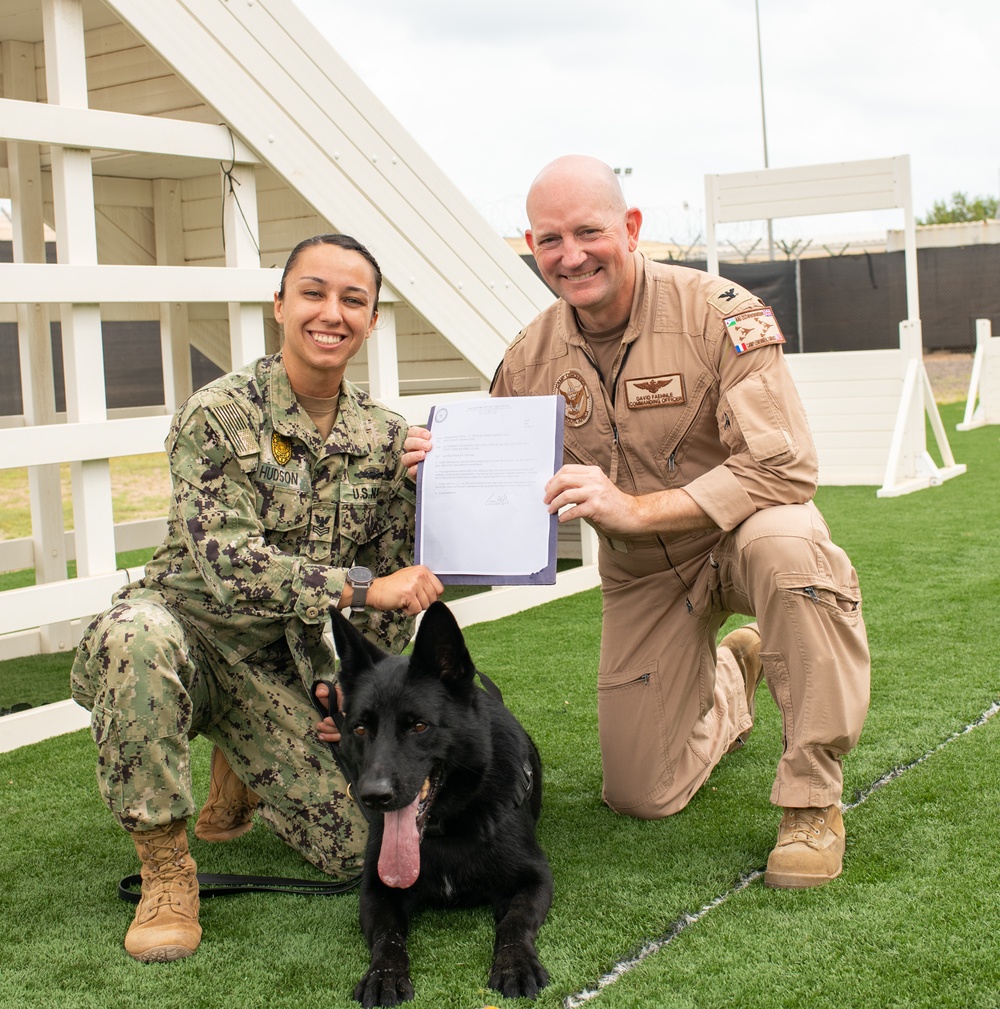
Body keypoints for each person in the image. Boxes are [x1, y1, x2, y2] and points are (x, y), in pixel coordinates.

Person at [405, 156, 870, 889]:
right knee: (640, 794)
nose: (571, 254)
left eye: (588, 231)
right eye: (550, 240)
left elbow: (787, 465)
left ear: (631, 227)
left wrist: (638, 507)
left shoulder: (717, 313)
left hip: (743, 536)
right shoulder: (529, 357)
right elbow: (496, 483)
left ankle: (812, 797)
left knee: (792, 546)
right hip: (647, 573)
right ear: (532, 246)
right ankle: (731, 677)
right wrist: (437, 466)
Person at [71, 233, 444, 962]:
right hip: (188, 634)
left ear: (371, 319)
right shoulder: (217, 416)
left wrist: (351, 695)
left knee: (352, 848)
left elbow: (392, 592)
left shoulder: (389, 439)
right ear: (280, 305)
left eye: (352, 299)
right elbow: (233, 566)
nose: (331, 312)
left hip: (284, 666)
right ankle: (167, 869)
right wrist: (362, 584)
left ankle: (236, 766)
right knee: (135, 636)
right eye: (313, 292)